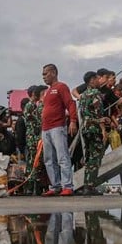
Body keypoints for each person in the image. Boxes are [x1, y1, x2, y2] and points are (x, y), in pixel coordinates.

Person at [40, 64, 77, 197]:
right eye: (43, 74)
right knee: (49, 159)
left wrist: (73, 120)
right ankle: (55, 186)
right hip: (46, 129)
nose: (43, 77)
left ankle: (67, 186)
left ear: (54, 73)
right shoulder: (47, 91)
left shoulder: (61, 87)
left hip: (57, 127)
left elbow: (70, 103)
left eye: (45, 74)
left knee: (62, 157)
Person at [78, 71, 108, 196]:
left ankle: (86, 184)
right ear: (91, 80)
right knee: (96, 157)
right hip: (94, 128)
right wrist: (103, 128)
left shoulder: (83, 95)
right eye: (97, 78)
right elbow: (99, 113)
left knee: (89, 157)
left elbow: (82, 112)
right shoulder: (96, 93)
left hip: (85, 129)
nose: (99, 81)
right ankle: (90, 186)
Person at [23, 85, 46, 195]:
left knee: (36, 162)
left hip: (35, 137)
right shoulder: (30, 105)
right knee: (33, 161)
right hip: (33, 137)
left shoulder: (34, 106)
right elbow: (37, 121)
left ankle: (34, 187)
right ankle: (30, 187)